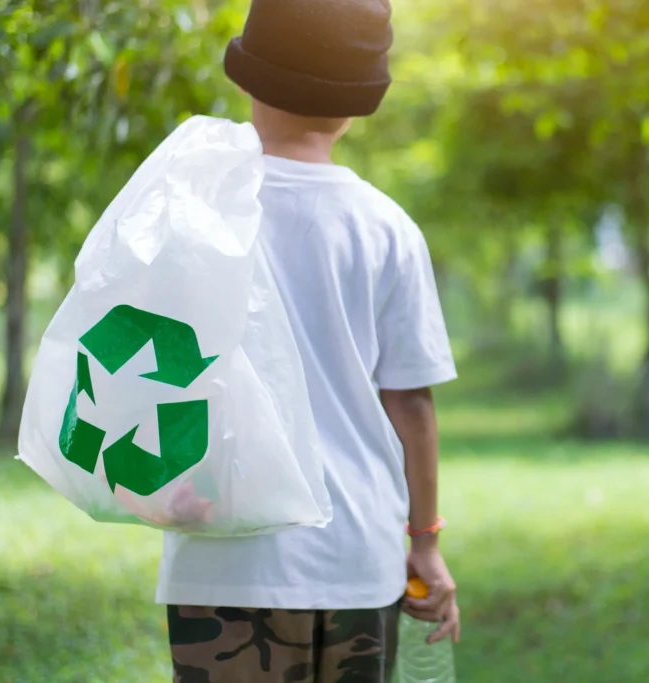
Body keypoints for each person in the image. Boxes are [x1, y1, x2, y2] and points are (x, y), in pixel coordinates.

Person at [156, 1, 460, 681]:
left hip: (221, 559)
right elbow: (410, 403)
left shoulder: (194, 213)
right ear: (356, 106)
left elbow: (161, 371)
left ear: (246, 81)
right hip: (355, 559)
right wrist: (425, 541)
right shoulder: (386, 228)